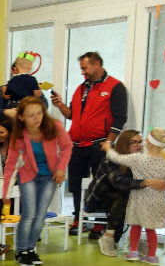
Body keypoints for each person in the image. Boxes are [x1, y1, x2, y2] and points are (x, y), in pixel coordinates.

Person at [50, 51, 127, 238]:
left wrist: (108, 143)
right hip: (77, 144)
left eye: (85, 68)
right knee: (75, 185)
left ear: (97, 64)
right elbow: (72, 114)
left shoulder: (115, 86)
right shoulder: (81, 88)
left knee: (101, 185)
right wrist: (60, 105)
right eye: (81, 69)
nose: (82, 72)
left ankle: (99, 224)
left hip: (99, 144)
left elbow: (120, 118)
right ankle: (79, 219)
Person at [2, 97, 72, 266]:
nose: (36, 118)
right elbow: (10, 164)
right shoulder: (19, 135)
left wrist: (61, 168)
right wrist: (6, 192)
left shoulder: (55, 126)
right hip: (28, 175)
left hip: (49, 176)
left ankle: (30, 248)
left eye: (39, 113)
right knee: (29, 213)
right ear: (21, 117)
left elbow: (67, 146)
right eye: (31, 115)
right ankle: (21, 252)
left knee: (40, 214)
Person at [85, 130, 165, 256]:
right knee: (126, 194)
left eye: (140, 142)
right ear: (124, 144)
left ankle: (134, 242)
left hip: (121, 200)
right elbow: (117, 181)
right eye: (133, 142)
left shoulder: (140, 160)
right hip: (99, 199)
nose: (138, 145)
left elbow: (157, 181)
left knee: (138, 197)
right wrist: (146, 182)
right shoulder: (111, 159)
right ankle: (108, 236)